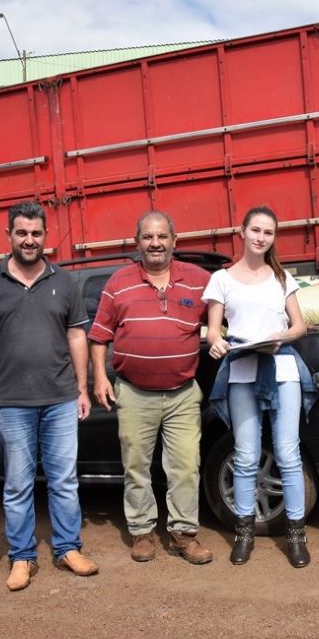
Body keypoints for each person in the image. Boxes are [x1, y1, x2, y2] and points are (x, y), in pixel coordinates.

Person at [0, 202, 98, 590]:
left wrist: (82, 388)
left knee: (64, 480)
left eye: (36, 233)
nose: (29, 240)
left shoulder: (63, 281)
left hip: (60, 398)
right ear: (9, 235)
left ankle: (68, 548)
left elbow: (77, 335)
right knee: (17, 484)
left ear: (45, 236)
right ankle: (22, 556)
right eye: (22, 233)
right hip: (11, 402)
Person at [89, 211, 213, 564]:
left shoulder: (199, 280)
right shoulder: (119, 282)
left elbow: (229, 313)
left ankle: (184, 534)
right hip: (134, 392)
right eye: (148, 237)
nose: (155, 243)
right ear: (137, 242)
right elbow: (99, 335)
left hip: (182, 394)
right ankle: (142, 532)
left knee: (186, 466)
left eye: (161, 236)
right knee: (135, 467)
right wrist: (100, 377)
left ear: (174, 240)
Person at [204, 206, 316, 568]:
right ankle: (244, 533)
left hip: (282, 369)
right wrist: (216, 343)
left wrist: (281, 336)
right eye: (255, 230)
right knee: (246, 454)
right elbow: (213, 331)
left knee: (288, 453)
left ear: (273, 237)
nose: (261, 237)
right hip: (241, 371)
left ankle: (296, 535)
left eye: (268, 232)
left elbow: (299, 326)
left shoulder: (281, 277)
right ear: (242, 231)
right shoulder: (221, 279)